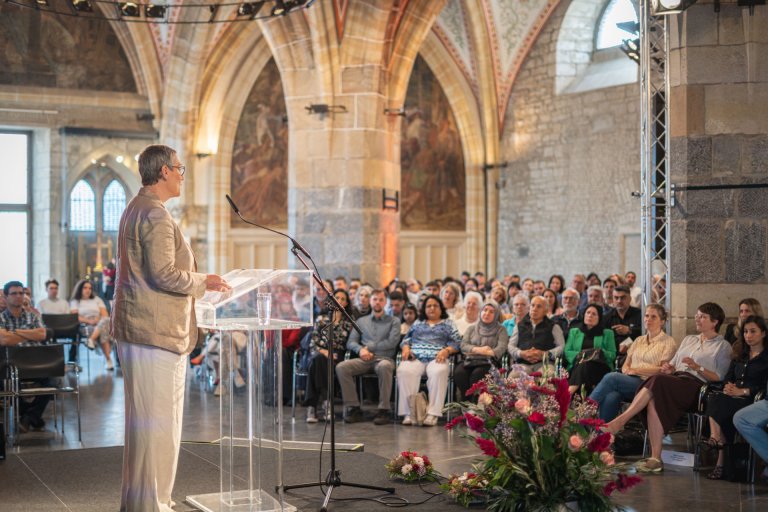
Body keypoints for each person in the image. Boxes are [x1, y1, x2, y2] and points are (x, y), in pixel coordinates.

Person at [111, 144, 230, 512]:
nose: (181, 175)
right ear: (163, 171)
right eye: (179, 168)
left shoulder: (136, 208)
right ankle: (154, 505)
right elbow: (162, 273)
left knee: (145, 427)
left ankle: (144, 502)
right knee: (159, 427)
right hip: (156, 332)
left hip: (140, 329)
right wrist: (202, 281)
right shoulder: (156, 215)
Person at [605, 303, 731, 474]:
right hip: (675, 380)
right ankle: (655, 458)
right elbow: (671, 365)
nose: (697, 318)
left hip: (698, 387)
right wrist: (669, 368)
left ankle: (621, 420)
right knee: (654, 397)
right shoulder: (689, 339)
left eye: (702, 316)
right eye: (697, 315)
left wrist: (697, 367)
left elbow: (720, 378)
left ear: (714, 322)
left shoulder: (722, 346)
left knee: (657, 382)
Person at [704, 315, 768, 480]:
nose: (748, 335)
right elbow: (728, 377)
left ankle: (718, 450)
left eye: (753, 331)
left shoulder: (766, 358)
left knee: (720, 407)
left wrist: (744, 391)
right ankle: (717, 441)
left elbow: (763, 388)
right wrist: (728, 386)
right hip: (731, 397)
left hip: (752, 400)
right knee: (716, 398)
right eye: (746, 331)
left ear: (763, 333)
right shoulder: (741, 353)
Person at [589, 304, 677, 421]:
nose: (648, 319)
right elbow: (626, 363)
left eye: (653, 317)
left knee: (612, 377)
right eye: (646, 315)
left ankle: (585, 411)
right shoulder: (638, 340)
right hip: (630, 380)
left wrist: (636, 370)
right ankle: (601, 433)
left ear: (662, 322)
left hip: (650, 384)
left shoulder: (668, 342)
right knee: (611, 396)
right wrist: (626, 370)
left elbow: (662, 370)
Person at [336, 289, 401, 425]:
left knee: (384, 366)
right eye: (375, 299)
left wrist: (369, 347)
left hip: (384, 359)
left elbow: (392, 342)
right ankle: (353, 408)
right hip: (364, 359)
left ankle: (383, 410)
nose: (377, 302)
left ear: (385, 302)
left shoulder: (394, 321)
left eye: (381, 299)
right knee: (342, 367)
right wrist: (360, 350)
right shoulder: (361, 321)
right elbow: (351, 342)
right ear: (370, 301)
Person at [397, 295, 462, 426]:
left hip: (437, 357)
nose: (432, 308)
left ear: (440, 308)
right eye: (428, 306)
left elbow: (457, 342)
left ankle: (433, 413)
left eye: (435, 305)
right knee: (404, 370)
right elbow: (406, 340)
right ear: (424, 309)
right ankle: (409, 413)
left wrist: (446, 350)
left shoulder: (448, 323)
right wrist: (405, 349)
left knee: (439, 371)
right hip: (416, 357)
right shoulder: (418, 323)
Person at [0, 280, 49, 432]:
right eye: (14, 293)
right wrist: (29, 335)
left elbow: (42, 334)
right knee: (7, 382)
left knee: (55, 379)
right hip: (11, 364)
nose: (18, 296)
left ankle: (29, 417)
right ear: (6, 297)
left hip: (36, 362)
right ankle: (32, 417)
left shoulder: (33, 317)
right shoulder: (1, 318)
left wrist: (15, 333)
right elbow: (4, 339)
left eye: (21, 293)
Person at [304, 289, 354, 423]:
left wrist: (331, 353)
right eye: (337, 297)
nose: (340, 300)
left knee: (316, 364)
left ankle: (311, 407)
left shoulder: (348, 322)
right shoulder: (321, 319)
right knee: (318, 360)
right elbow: (313, 343)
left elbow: (348, 344)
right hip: (320, 353)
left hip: (338, 356)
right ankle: (327, 404)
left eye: (343, 299)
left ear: (346, 303)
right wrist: (325, 352)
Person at [454, 300, 508, 401]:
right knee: (459, 373)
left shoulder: (501, 330)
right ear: (480, 311)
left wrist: (482, 351)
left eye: (491, 312)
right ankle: (467, 404)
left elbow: (501, 348)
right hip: (469, 361)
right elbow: (463, 346)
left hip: (489, 363)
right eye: (485, 310)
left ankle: (474, 406)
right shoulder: (471, 328)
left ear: (496, 314)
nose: (487, 313)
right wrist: (481, 350)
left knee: (477, 375)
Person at [563, 304, 616, 395]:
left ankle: (567, 394)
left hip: (600, 368)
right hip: (577, 365)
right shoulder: (574, 332)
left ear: (599, 317)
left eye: (594, 314)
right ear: (584, 315)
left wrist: (600, 353)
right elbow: (567, 351)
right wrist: (585, 355)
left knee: (585, 365)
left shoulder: (607, 333)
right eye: (588, 312)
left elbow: (612, 354)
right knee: (584, 365)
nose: (590, 315)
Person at [507, 296, 565, 372]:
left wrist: (546, 354)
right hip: (522, 363)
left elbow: (561, 346)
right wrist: (521, 353)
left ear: (546, 310)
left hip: (545, 363)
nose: (534, 309)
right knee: (513, 379)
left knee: (547, 378)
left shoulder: (554, 326)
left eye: (539, 306)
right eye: (532, 305)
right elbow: (510, 346)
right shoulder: (519, 326)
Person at [70, 279, 114, 370]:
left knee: (106, 321)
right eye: (85, 288)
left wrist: (97, 320)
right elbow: (75, 316)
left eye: (90, 288)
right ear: (80, 289)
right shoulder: (75, 301)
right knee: (104, 330)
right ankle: (108, 360)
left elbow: (105, 314)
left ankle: (91, 340)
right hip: (85, 325)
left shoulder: (97, 299)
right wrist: (89, 321)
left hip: (100, 322)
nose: (88, 290)